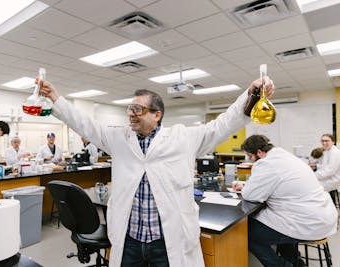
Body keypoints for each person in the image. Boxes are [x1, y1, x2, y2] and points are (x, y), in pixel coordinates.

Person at [37, 76, 274, 267]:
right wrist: (55, 99)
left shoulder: (183, 138)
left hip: (167, 240)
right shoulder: (119, 138)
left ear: (156, 115)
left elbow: (222, 125)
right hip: (129, 239)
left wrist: (250, 97)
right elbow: (84, 123)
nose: (131, 113)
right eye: (130, 109)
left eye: (138, 109)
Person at [233, 135, 338, 267]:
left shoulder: (267, 163)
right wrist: (250, 187)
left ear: (259, 152)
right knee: (280, 224)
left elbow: (250, 195)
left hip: (308, 221)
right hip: (322, 215)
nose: (250, 160)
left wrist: (246, 188)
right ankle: (296, 263)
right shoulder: (284, 156)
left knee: (247, 233)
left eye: (250, 156)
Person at [313, 134, 340, 206]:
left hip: (333, 179)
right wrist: (316, 166)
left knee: (312, 186)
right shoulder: (328, 150)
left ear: (333, 142)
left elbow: (329, 171)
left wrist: (313, 175)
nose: (324, 143)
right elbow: (325, 166)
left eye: (326, 141)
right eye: (322, 141)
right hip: (328, 177)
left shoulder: (335, 153)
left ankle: (324, 208)